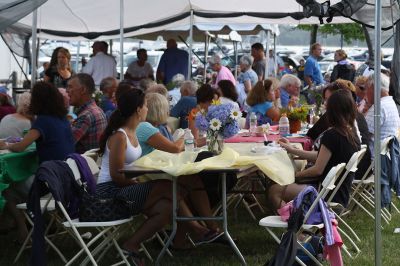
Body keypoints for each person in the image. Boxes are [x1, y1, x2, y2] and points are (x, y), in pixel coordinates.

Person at [96, 89, 217, 262]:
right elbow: (116, 175)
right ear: (138, 109)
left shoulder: (132, 132)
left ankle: (131, 244)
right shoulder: (120, 136)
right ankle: (198, 229)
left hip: (125, 187)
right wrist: (136, 183)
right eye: (145, 106)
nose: (147, 109)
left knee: (166, 207)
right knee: (169, 187)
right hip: (110, 194)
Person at [0, 81, 75, 244]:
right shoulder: (62, 120)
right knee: (19, 182)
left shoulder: (43, 121)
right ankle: (51, 222)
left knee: (8, 186)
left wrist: (6, 144)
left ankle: (23, 231)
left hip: (50, 184)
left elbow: (20, 147)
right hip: (67, 181)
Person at [270, 89, 361, 211]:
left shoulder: (332, 135)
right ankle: (299, 216)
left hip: (324, 194)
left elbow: (317, 170)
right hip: (340, 193)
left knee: (274, 191)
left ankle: (295, 223)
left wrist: (295, 176)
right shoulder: (352, 134)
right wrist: (292, 150)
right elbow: (321, 156)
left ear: (332, 111)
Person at [305, 80, 371, 180]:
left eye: (329, 100)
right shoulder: (354, 118)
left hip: (344, 177)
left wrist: (295, 175)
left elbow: (311, 134)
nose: (326, 104)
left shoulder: (339, 126)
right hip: (358, 169)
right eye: (326, 100)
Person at [67, 73, 107, 153]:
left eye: (70, 87)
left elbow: (64, 144)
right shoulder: (97, 110)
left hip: (82, 164)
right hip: (92, 163)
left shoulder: (86, 116)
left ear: (83, 90)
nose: (67, 90)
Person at [364, 72, 400, 157]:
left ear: (372, 87)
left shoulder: (379, 107)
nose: (365, 92)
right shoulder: (390, 103)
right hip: (386, 158)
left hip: (374, 162)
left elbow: (362, 135)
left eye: (366, 88)